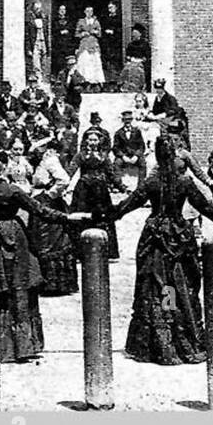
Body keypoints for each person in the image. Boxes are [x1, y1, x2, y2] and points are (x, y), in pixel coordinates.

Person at [0, 151, 88, 361]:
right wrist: (67, 217)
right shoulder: (12, 190)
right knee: (19, 285)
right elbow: (41, 210)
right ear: (4, 168)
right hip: (13, 238)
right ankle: (22, 347)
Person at [111, 132, 213, 365]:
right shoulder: (184, 181)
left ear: (156, 155)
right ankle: (180, 340)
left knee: (159, 286)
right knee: (179, 285)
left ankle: (162, 343)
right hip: (178, 236)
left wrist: (101, 215)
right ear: (175, 155)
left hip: (155, 238)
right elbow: (208, 209)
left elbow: (126, 206)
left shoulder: (151, 182)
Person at [29, 148, 79, 296]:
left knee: (50, 241)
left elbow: (64, 180)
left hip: (47, 203)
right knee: (42, 240)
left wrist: (50, 194)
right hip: (39, 200)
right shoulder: (41, 161)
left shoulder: (50, 160)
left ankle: (55, 285)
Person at [69, 126, 121, 259]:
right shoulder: (80, 155)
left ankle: (108, 252)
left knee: (103, 217)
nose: (92, 142)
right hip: (83, 190)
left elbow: (111, 174)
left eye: (95, 140)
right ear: (86, 141)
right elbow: (71, 170)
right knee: (81, 216)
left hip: (100, 190)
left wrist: (121, 187)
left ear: (99, 141)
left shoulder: (104, 156)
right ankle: (79, 252)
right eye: (90, 139)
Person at [112, 108, 147, 196]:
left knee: (143, 163)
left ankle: (141, 187)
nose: (127, 122)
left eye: (129, 120)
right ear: (122, 121)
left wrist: (136, 155)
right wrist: (123, 156)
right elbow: (115, 148)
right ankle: (119, 186)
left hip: (135, 155)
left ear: (131, 120)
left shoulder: (137, 131)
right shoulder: (118, 133)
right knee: (117, 163)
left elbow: (141, 146)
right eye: (125, 120)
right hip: (124, 156)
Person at [72, 7, 105, 89]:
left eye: (91, 11)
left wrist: (96, 32)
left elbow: (100, 33)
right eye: (87, 11)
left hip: (93, 44)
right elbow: (76, 33)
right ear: (84, 12)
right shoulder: (81, 22)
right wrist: (82, 34)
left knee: (95, 62)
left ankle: (95, 82)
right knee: (85, 61)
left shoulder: (96, 22)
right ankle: (84, 81)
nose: (89, 13)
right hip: (84, 44)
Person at [26, 0, 49, 80]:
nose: (38, 11)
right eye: (36, 9)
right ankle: (38, 80)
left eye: (39, 9)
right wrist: (28, 48)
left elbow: (47, 34)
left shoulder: (44, 20)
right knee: (36, 64)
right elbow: (28, 35)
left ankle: (44, 79)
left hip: (43, 43)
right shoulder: (30, 22)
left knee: (44, 62)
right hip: (35, 43)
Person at [100, 1, 122, 84]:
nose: (110, 10)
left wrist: (114, 32)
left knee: (115, 61)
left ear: (116, 8)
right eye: (109, 8)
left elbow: (121, 29)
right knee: (107, 60)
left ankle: (116, 79)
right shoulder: (105, 18)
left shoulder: (119, 18)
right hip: (107, 42)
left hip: (115, 42)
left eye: (111, 8)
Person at [125, 23, 152, 91]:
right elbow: (127, 55)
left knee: (139, 70)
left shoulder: (145, 44)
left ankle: (141, 86)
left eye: (136, 33)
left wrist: (142, 60)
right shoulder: (131, 44)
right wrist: (131, 59)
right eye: (133, 34)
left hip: (142, 63)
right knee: (127, 69)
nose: (134, 35)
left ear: (140, 34)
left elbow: (147, 56)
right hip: (132, 62)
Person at [52, 4, 74, 75]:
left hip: (67, 43)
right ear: (58, 11)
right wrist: (59, 32)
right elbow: (53, 31)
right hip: (58, 43)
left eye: (64, 9)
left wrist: (67, 31)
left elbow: (72, 30)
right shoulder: (55, 21)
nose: (62, 11)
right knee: (59, 61)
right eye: (61, 10)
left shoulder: (69, 20)